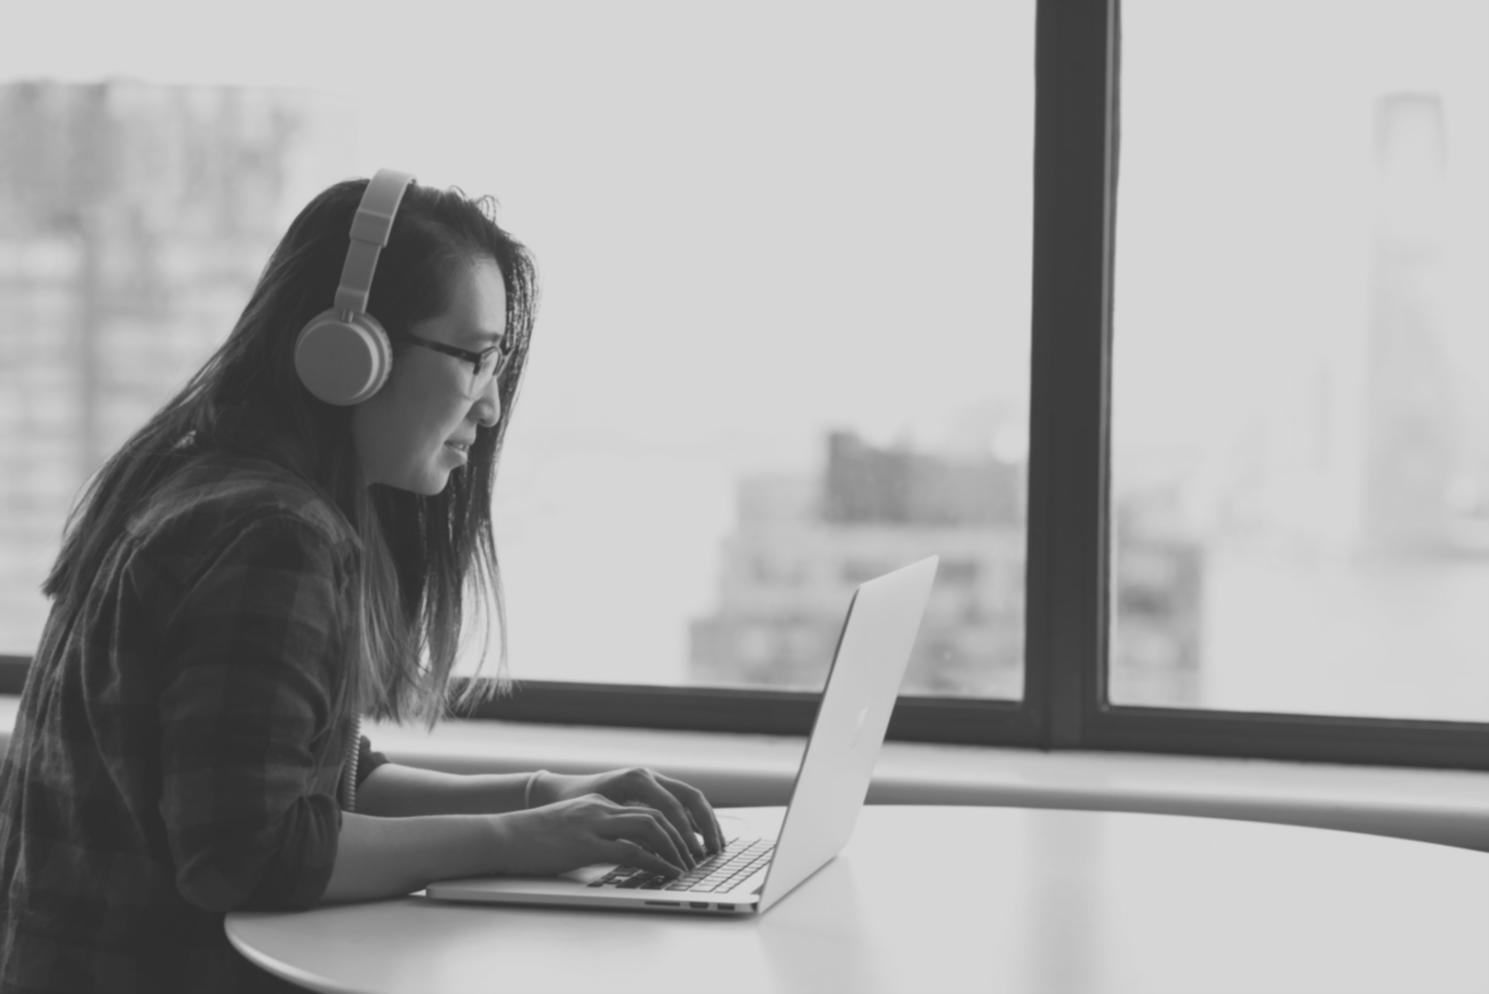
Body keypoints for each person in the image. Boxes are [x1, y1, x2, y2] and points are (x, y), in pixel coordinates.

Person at [0, 170, 724, 994]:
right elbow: (249, 853)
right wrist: (524, 837)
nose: (487, 411)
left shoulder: (204, 483)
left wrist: (547, 794)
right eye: (475, 359)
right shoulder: (273, 535)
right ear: (350, 352)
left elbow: (324, 777)